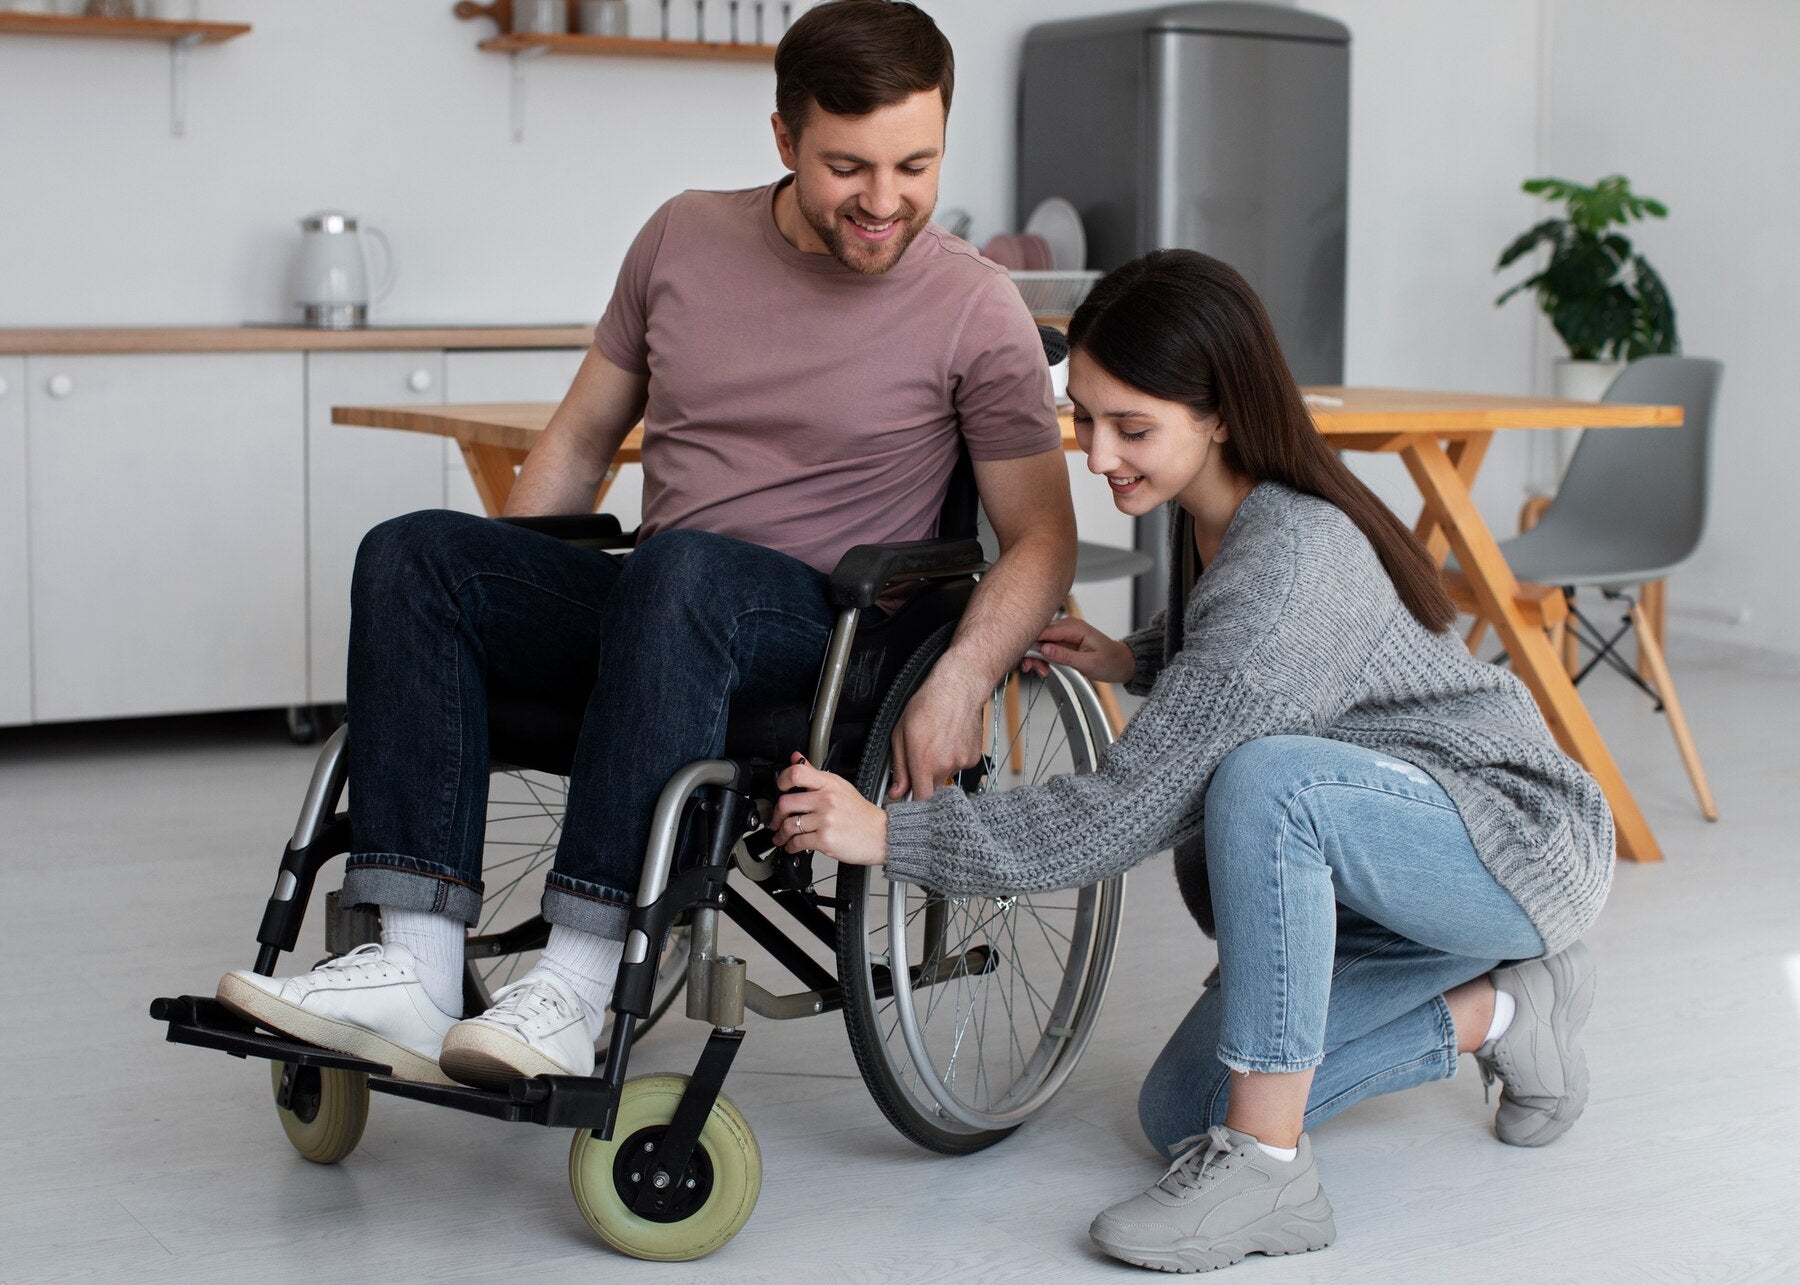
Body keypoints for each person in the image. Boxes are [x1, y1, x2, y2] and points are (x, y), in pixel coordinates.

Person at [217, 0, 1076, 1091]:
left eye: (916, 165)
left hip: (830, 635)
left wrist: (961, 676)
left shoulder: (973, 306)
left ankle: (578, 977)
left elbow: (1042, 537)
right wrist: (502, 611)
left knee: (683, 571)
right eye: (847, 167)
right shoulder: (683, 235)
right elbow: (579, 436)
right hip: (665, 611)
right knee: (414, 554)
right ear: (782, 139)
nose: (884, 202)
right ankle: (415, 964)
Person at [772, 249, 1612, 1274]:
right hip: (1399, 857)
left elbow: (1128, 809)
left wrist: (892, 834)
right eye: (1085, 416)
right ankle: (1509, 1010)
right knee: (1183, 1109)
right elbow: (1253, 652)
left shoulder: (1296, 558)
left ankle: (1271, 1171)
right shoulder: (1219, 513)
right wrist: (1138, 657)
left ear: (1219, 413)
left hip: (1515, 840)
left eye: (1133, 427)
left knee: (1266, 782)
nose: (1096, 454)